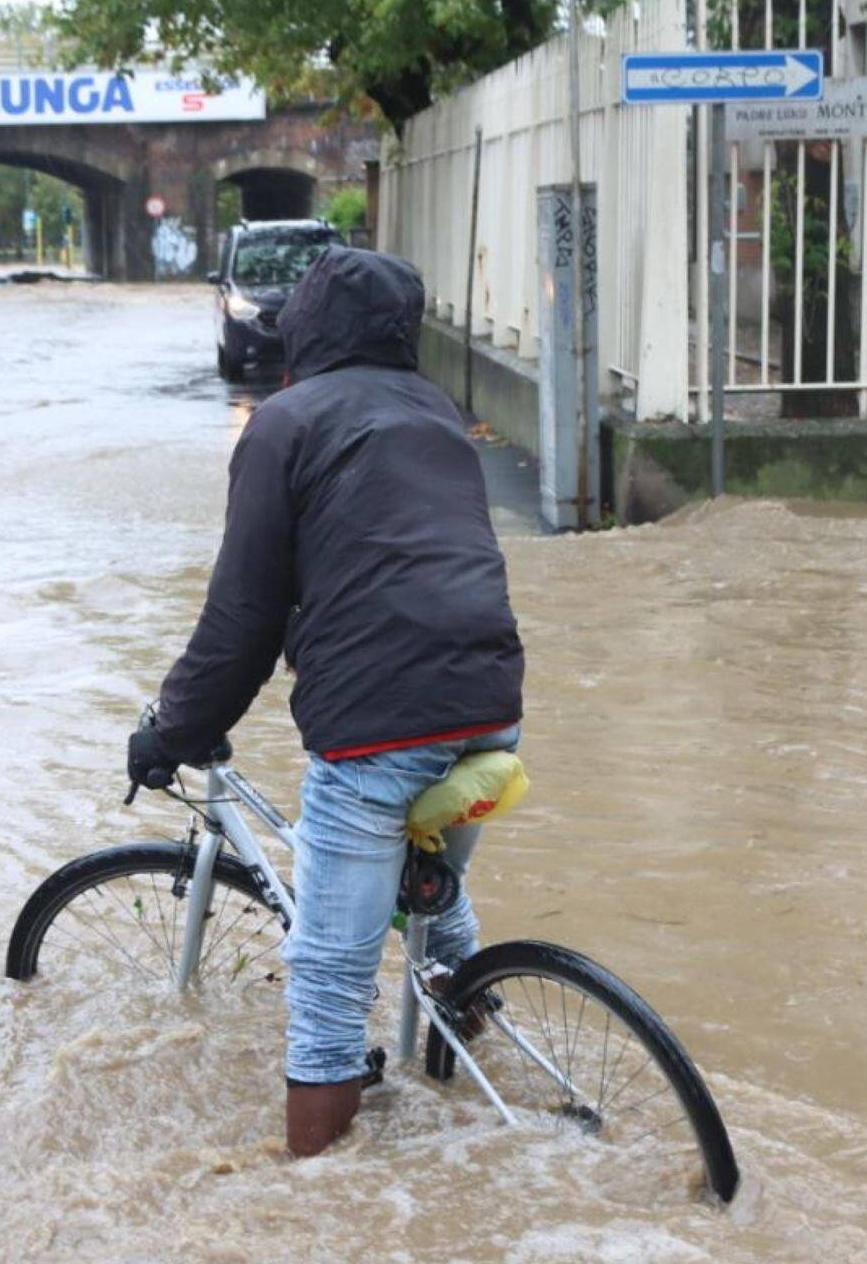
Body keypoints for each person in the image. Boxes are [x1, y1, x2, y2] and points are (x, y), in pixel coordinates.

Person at [128, 246, 525, 1156]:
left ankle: (314, 1189)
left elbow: (241, 622)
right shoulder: (438, 413)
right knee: (434, 894)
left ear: (304, 331)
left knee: (327, 977)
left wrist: (171, 732)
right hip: (493, 701)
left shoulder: (284, 422)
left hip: (382, 726)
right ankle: (482, 1065)